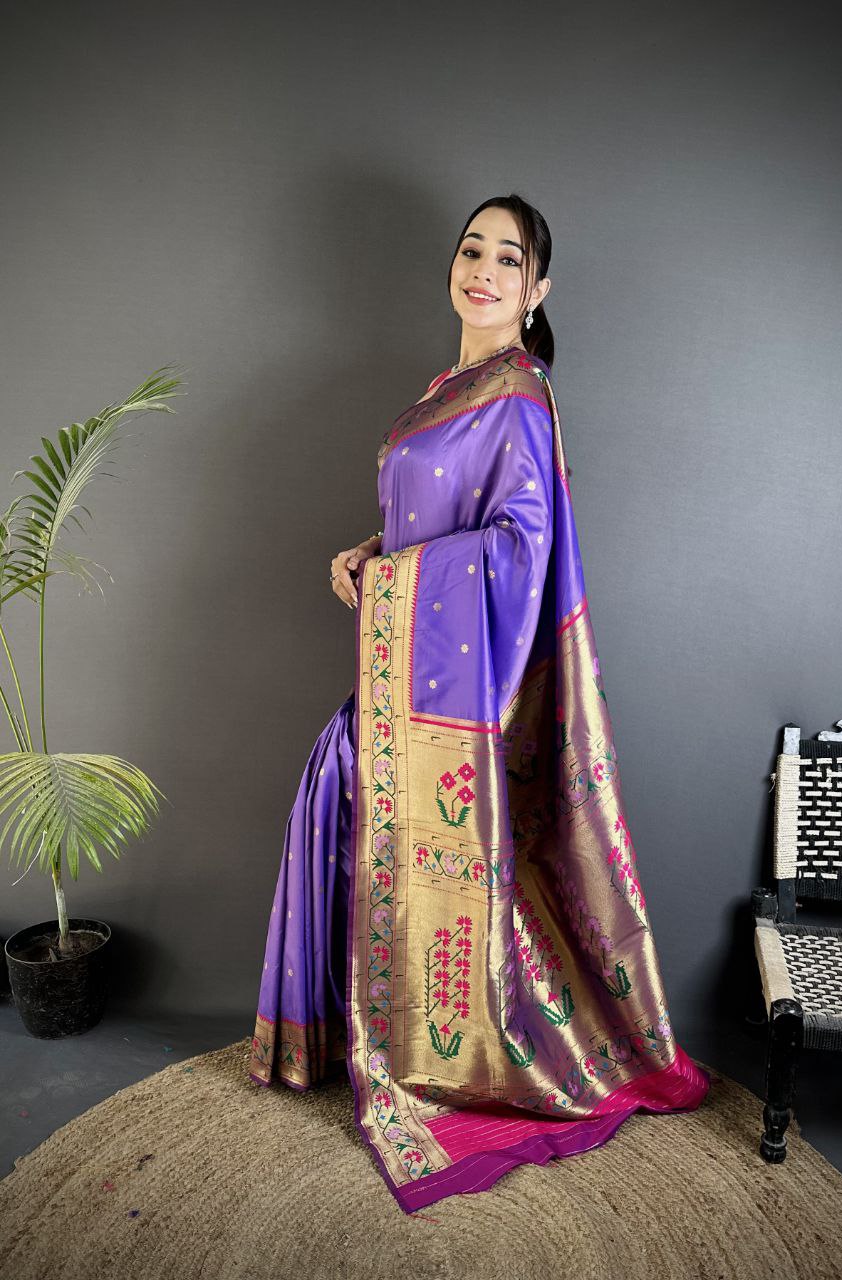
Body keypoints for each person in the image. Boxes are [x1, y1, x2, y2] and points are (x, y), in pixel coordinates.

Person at [250, 193, 711, 1213]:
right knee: (343, 795)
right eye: (472, 250)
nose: (484, 270)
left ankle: (435, 1051)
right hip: (410, 669)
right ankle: (364, 1033)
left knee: (369, 801)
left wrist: (394, 582)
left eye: (509, 258)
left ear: (537, 288)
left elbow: (518, 548)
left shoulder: (520, 394)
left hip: (462, 686)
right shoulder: (445, 390)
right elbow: (436, 521)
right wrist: (373, 552)